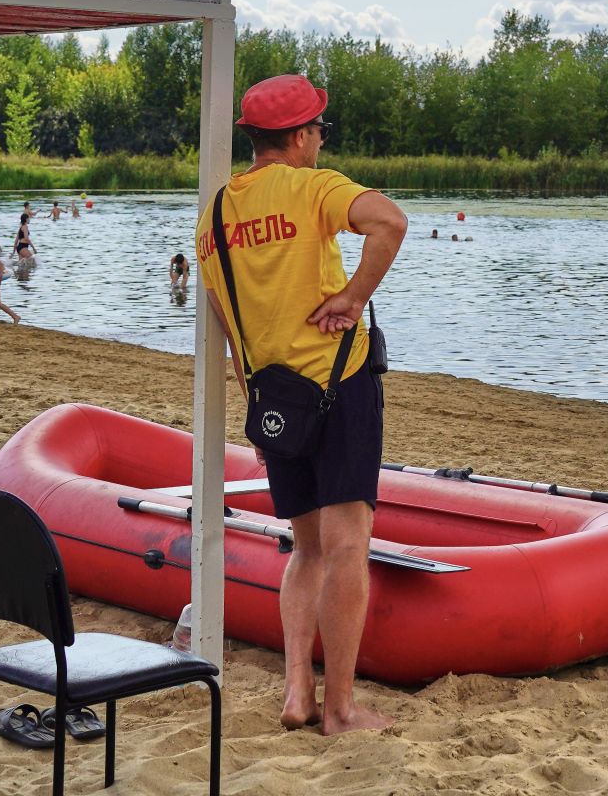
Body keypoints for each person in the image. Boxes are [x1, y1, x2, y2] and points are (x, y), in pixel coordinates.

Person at [194, 73, 406, 736]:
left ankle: (295, 692)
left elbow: (228, 325)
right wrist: (351, 297)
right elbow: (390, 223)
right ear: (299, 135)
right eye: (318, 129)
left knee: (306, 548)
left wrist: (256, 399)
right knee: (349, 546)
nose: (320, 140)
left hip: (274, 401)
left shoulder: (215, 216)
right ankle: (339, 710)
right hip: (337, 388)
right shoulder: (313, 187)